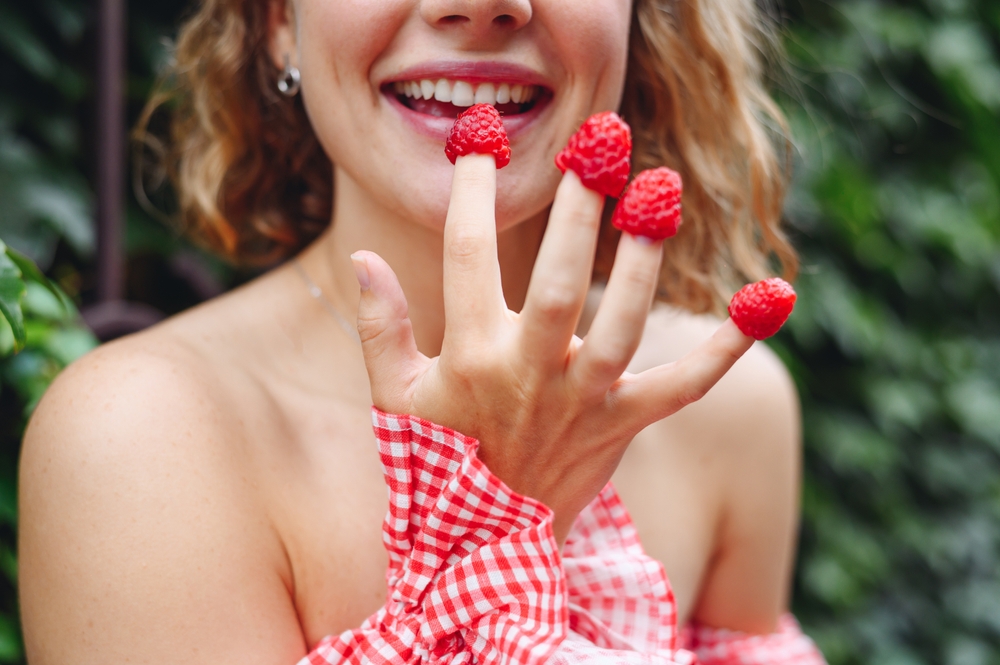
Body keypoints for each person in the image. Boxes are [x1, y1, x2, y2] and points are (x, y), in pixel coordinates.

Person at [18, 0, 825, 663]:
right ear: (276, 21)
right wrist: (495, 528)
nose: (478, 7)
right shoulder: (136, 439)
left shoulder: (733, 409)